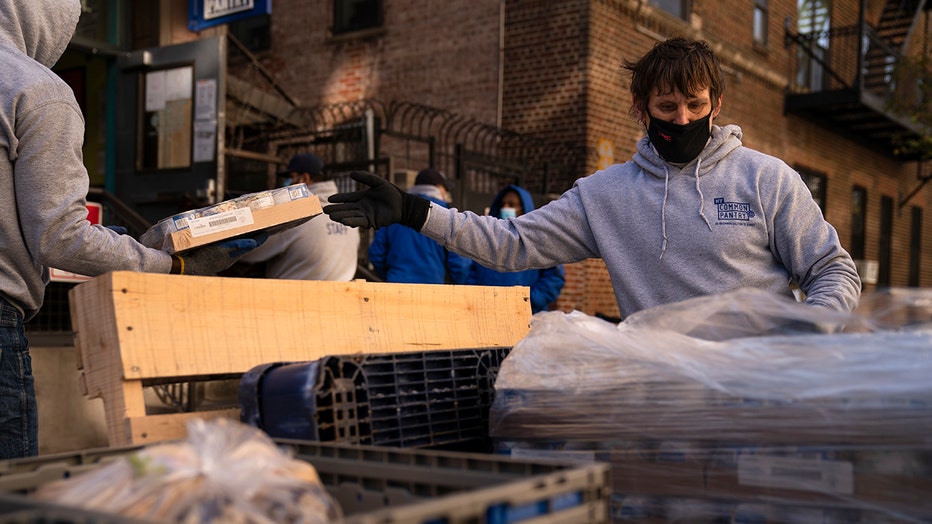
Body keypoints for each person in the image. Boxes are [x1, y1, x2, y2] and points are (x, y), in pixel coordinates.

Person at [324, 37, 862, 317]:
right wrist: (415, 212)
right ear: (640, 107)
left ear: (716, 102)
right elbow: (513, 244)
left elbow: (831, 270)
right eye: (667, 105)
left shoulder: (767, 180)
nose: (683, 119)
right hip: (661, 397)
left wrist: (807, 337)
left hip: (762, 394)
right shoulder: (606, 196)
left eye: (696, 105)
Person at [0, 0, 261, 458]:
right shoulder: (38, 91)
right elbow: (61, 237)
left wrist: (116, 242)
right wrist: (173, 265)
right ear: (49, 16)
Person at [238, 154, 360, 281]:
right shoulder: (346, 213)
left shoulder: (297, 214)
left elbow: (250, 251)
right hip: (340, 296)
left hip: (293, 297)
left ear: (304, 178)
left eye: (290, 178)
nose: (286, 184)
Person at [468, 185, 564, 314]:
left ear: (524, 209)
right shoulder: (488, 237)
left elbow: (554, 278)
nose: (506, 208)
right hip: (486, 312)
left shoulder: (539, 239)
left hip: (524, 314)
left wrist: (529, 301)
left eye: (512, 204)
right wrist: (476, 296)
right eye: (503, 204)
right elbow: (473, 270)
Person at [367, 168, 471, 284]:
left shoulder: (396, 210)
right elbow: (460, 263)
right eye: (445, 189)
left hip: (396, 285)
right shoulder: (445, 212)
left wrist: (391, 276)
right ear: (438, 187)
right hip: (432, 288)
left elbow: (376, 253)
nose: (446, 194)